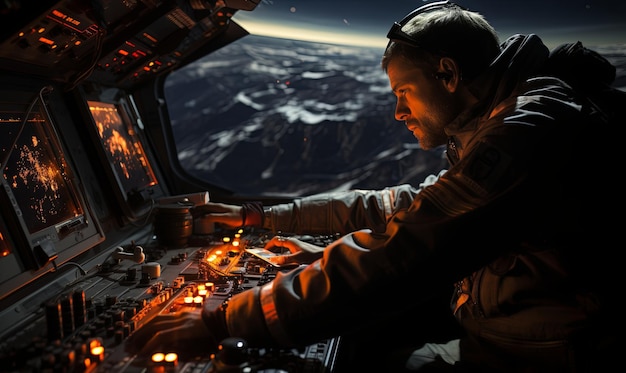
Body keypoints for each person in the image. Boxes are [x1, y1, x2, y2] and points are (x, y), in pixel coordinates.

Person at [126, 1, 621, 371]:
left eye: (404, 92)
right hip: (509, 343)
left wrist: (223, 321)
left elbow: (411, 246)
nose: (398, 111)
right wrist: (260, 216)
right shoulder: (500, 119)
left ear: (447, 74)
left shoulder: (527, 130)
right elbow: (401, 206)